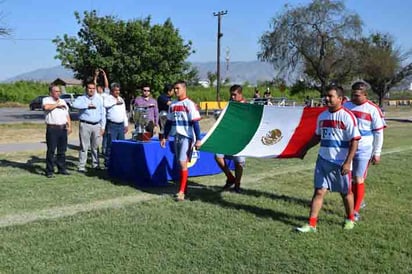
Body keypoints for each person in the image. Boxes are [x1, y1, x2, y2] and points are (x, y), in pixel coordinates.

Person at [296, 85, 361, 232]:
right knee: (319, 191)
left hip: (340, 163)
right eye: (326, 95)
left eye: (330, 96)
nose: (327, 98)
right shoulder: (322, 116)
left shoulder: (347, 116)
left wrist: (347, 162)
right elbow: (317, 136)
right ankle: (312, 224)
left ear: (340, 99)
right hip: (323, 160)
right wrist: (304, 148)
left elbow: (355, 141)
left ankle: (350, 218)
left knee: (345, 193)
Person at [344, 81, 385, 221]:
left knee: (358, 178)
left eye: (357, 95)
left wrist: (377, 152)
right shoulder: (346, 106)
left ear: (365, 94)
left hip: (364, 149)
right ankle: (358, 201)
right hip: (347, 148)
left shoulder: (373, 109)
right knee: (347, 179)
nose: (354, 98)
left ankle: (354, 210)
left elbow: (379, 133)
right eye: (352, 95)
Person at [160, 80, 202, 201]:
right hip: (176, 136)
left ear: (184, 89)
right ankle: (184, 188)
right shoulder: (172, 105)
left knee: (183, 162)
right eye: (175, 89)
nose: (176, 91)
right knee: (180, 163)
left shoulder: (189, 104)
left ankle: (181, 192)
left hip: (187, 137)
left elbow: (195, 122)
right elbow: (168, 122)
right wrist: (164, 136)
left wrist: (198, 139)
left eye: (178, 88)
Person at [216, 85, 247, 193]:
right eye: (231, 94)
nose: (232, 97)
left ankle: (237, 185)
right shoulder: (230, 105)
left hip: (240, 139)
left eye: (234, 95)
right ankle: (230, 178)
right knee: (218, 156)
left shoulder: (246, 106)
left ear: (240, 94)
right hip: (228, 137)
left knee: (239, 163)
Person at [72, 80, 106, 172]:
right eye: (89, 88)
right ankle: (81, 166)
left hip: (97, 125)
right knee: (84, 146)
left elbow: (103, 113)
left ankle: (96, 165)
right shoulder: (81, 98)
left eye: (93, 88)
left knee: (95, 147)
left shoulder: (99, 99)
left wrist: (103, 127)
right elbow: (74, 105)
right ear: (86, 89)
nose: (91, 90)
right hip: (85, 124)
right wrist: (87, 105)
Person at [42, 84, 72, 178]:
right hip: (52, 128)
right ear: (51, 92)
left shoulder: (63, 101)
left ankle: (61, 169)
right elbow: (46, 108)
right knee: (51, 150)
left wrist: (69, 126)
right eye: (56, 91)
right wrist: (56, 104)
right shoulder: (47, 100)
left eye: (59, 91)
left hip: (62, 128)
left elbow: (67, 115)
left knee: (62, 150)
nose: (58, 93)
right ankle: (49, 171)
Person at [103, 82, 129, 168]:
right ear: (112, 91)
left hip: (121, 125)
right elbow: (105, 105)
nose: (117, 92)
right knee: (110, 144)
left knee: (121, 144)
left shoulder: (121, 99)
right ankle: (108, 162)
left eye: (118, 90)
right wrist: (115, 102)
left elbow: (124, 112)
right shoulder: (108, 98)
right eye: (115, 90)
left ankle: (120, 162)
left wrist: (126, 124)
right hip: (112, 125)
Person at [94, 68, 110, 155]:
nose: (99, 89)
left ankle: (104, 149)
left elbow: (107, 85)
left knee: (106, 134)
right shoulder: (96, 96)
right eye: (98, 88)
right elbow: (94, 84)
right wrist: (96, 76)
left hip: (106, 116)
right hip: (98, 116)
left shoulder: (105, 95)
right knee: (97, 134)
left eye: (100, 88)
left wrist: (104, 75)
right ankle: (96, 149)